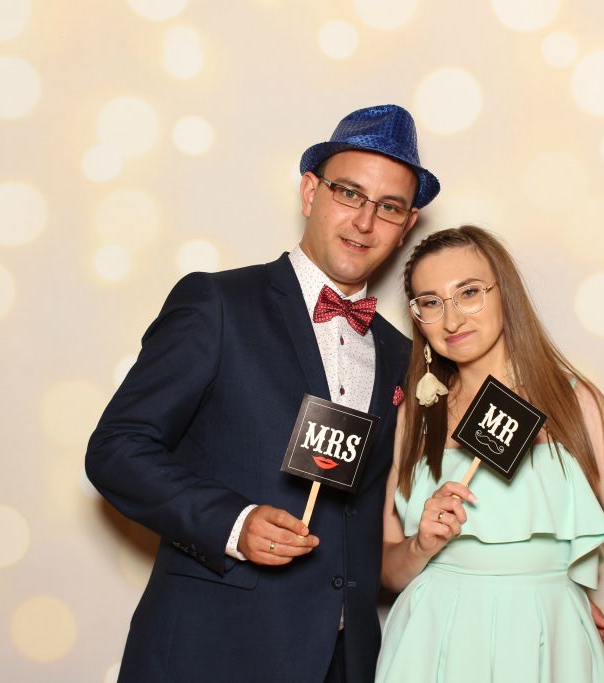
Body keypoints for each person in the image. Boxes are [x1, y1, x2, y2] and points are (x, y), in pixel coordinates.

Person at [85, 104, 440, 682]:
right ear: (310, 192)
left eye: (388, 207)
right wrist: (234, 522)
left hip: (343, 662)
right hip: (213, 651)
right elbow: (117, 449)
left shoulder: (403, 354)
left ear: (407, 223)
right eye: (349, 193)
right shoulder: (218, 304)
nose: (364, 221)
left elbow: (378, 523)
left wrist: (548, 593)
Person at [376, 226, 604, 682]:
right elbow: (388, 572)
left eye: (469, 293)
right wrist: (421, 545)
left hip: (548, 641)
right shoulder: (415, 413)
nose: (452, 320)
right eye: (430, 302)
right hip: (432, 642)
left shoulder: (575, 403)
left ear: (504, 293)